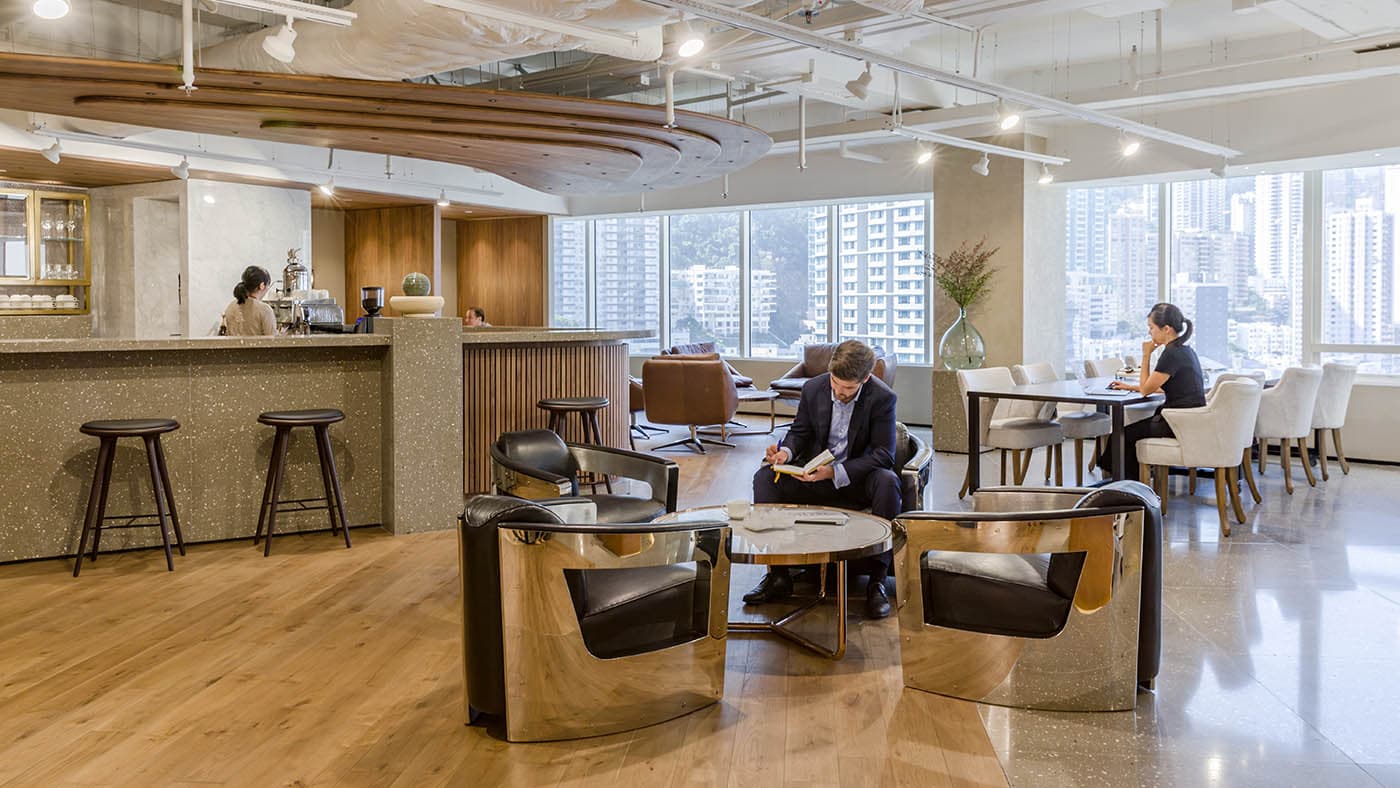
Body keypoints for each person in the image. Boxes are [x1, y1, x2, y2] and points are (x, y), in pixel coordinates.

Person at [744, 340, 900, 619]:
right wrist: (785, 453)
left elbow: (883, 454)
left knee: (887, 481)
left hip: (854, 481)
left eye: (848, 388)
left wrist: (836, 472)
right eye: (835, 383)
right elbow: (800, 432)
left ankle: (876, 581)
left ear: (865, 379)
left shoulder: (882, 398)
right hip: (814, 477)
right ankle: (778, 575)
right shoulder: (814, 388)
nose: (839, 392)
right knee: (765, 478)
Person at [1098, 302, 1206, 477]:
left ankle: (1126, 483)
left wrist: (1146, 354)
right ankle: (1130, 479)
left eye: (1151, 328)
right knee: (1127, 434)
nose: (1150, 332)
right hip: (1189, 419)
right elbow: (1168, 387)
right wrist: (1131, 387)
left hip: (1176, 422)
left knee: (1121, 436)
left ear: (1166, 329)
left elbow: (1146, 390)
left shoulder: (1171, 353)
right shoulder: (1185, 350)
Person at [221, 266, 276, 337]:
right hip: (256, 345)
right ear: (262, 285)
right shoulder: (264, 309)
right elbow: (272, 340)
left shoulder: (231, 307)